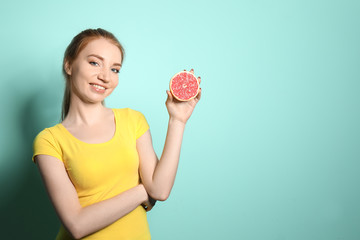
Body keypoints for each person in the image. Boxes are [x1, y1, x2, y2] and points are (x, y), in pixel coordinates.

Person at [32, 28, 201, 240]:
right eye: (94, 63)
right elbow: (77, 225)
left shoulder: (133, 121)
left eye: (115, 69)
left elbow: (159, 190)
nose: (104, 76)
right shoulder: (49, 141)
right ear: (69, 64)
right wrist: (141, 191)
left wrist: (177, 120)